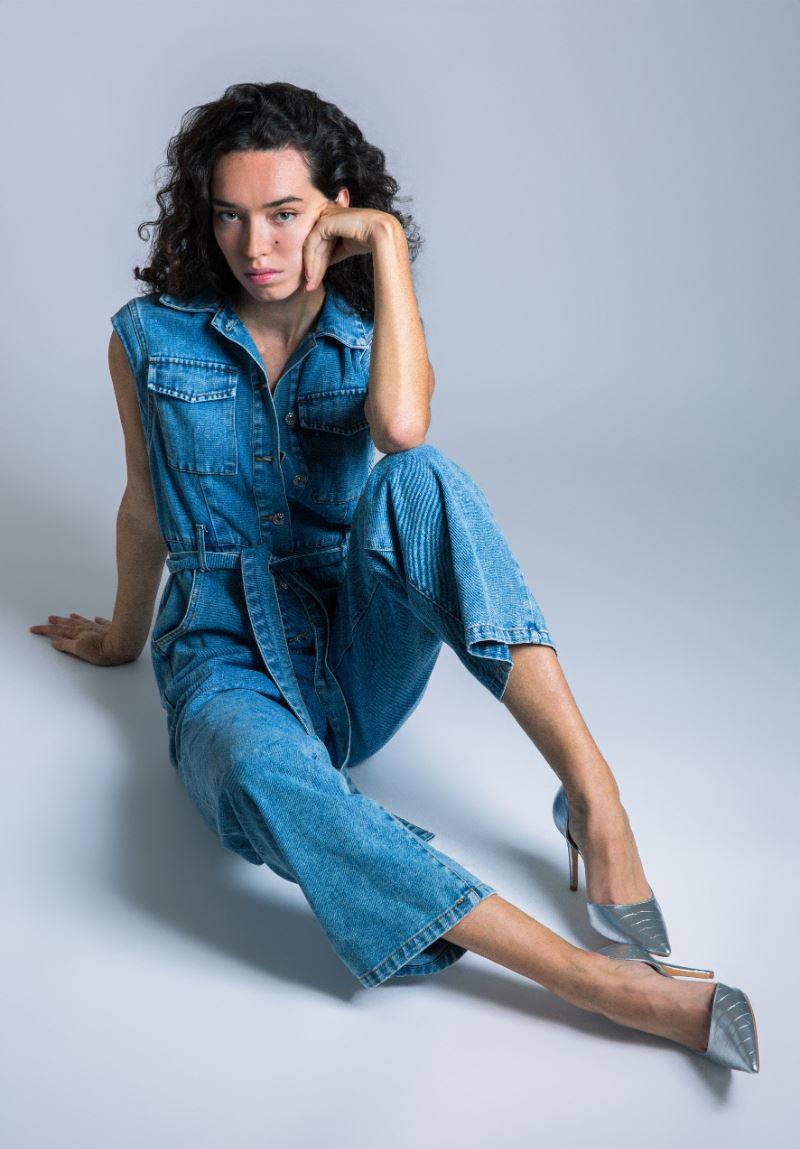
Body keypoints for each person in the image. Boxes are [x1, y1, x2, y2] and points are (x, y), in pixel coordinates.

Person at [30, 81, 758, 1072]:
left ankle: (594, 800)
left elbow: (403, 432)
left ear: (336, 208)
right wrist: (122, 639)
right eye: (231, 216)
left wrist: (385, 248)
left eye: (285, 213)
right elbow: (145, 504)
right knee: (258, 775)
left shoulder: (370, 331)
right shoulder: (146, 337)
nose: (256, 246)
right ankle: (602, 985)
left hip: (353, 651)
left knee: (422, 479)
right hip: (223, 661)